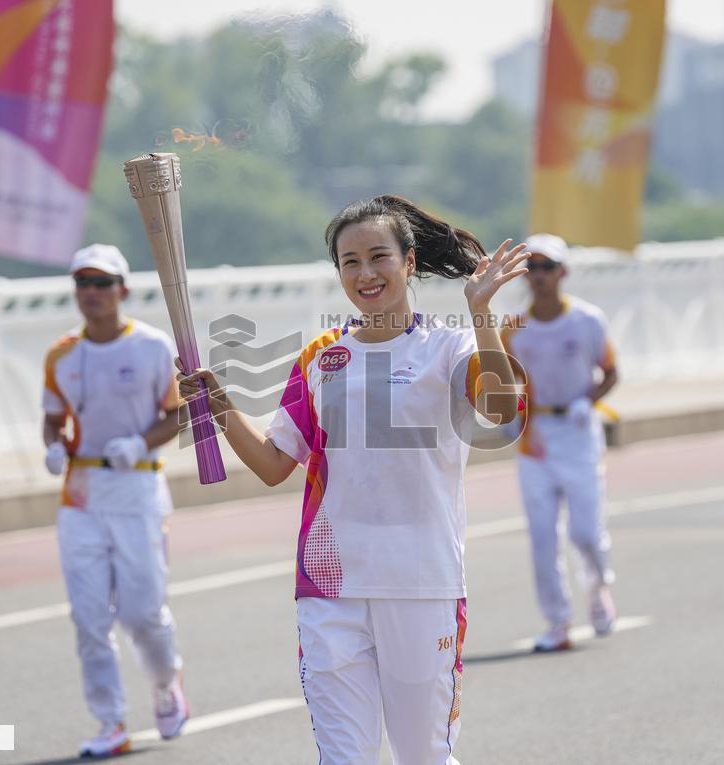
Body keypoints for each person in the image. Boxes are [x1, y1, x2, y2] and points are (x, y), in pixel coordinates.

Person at [178, 195, 526, 765]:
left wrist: (480, 313)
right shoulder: (320, 356)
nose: (366, 274)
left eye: (378, 257)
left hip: (420, 582)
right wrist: (218, 405)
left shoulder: (450, 346)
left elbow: (501, 411)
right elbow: (273, 464)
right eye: (350, 262)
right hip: (329, 587)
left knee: (422, 757)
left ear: (409, 262)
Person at [41, 243, 190, 758]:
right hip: (81, 497)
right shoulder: (61, 354)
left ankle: (166, 683)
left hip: (138, 491)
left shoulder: (151, 347)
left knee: (142, 613)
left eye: (102, 283)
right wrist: (53, 445)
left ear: (122, 290)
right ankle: (111, 722)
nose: (92, 292)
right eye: (83, 283)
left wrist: (140, 443)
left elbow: (178, 413)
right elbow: (52, 417)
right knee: (88, 619)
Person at [499, 233, 619, 652]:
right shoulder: (513, 328)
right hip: (536, 440)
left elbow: (611, 371)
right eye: (531, 267)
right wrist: (510, 416)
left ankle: (599, 588)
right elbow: (504, 381)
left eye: (547, 267)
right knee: (542, 538)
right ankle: (558, 621)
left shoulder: (587, 320)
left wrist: (588, 401)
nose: (539, 275)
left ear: (562, 272)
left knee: (585, 533)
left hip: (579, 433)